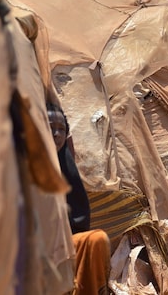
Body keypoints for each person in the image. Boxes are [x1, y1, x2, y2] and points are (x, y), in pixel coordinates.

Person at [47, 103, 111, 295]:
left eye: (61, 130)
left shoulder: (66, 169)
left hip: (63, 245)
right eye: (50, 128)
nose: (57, 134)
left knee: (96, 240)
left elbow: (78, 221)